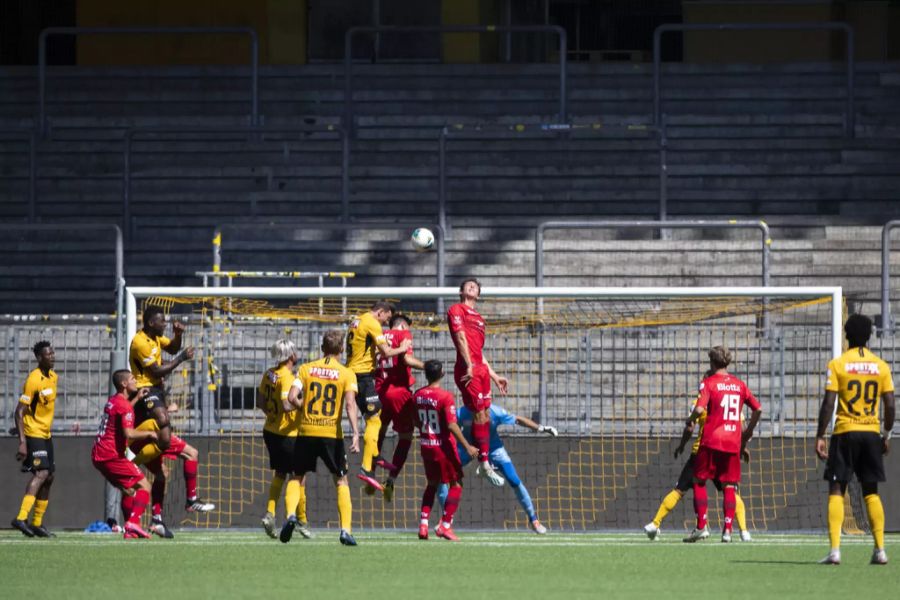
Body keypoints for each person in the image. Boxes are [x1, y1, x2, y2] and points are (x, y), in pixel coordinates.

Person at [815, 314, 894, 565]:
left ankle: (835, 551)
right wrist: (886, 434)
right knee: (871, 491)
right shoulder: (881, 366)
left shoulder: (838, 364)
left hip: (845, 432)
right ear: (870, 336)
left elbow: (829, 403)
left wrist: (820, 435)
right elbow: (890, 404)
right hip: (871, 433)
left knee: (837, 489)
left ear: (847, 335)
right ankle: (880, 550)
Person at [128, 305, 214, 538]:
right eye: (160, 321)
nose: (164, 323)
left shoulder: (155, 337)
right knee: (166, 422)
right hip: (146, 391)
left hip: (155, 393)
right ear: (148, 322)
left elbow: (173, 346)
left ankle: (154, 520)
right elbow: (156, 371)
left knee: (162, 474)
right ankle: (135, 464)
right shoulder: (140, 342)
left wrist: (178, 335)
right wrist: (181, 358)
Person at [643, 380, 753, 542]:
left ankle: (657, 523)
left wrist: (681, 445)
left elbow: (689, 427)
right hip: (724, 451)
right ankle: (743, 531)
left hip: (702, 452)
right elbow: (741, 428)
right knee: (730, 490)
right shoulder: (731, 401)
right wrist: (741, 448)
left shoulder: (698, 403)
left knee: (681, 490)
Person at [280, 330, 361, 546]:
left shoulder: (306, 369)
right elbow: (350, 404)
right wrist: (355, 432)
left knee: (296, 477)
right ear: (342, 349)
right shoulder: (346, 373)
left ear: (322, 348)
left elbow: (290, 397)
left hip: (306, 431)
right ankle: (345, 530)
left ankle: (290, 516)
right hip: (331, 435)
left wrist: (304, 409)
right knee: (341, 480)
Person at [438, 404, 557, 534]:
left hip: (494, 449)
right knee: (442, 476)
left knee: (514, 480)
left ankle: (534, 520)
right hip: (469, 448)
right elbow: (448, 424)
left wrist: (541, 428)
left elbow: (517, 419)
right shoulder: (462, 412)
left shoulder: (496, 411)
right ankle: (446, 520)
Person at [683, 346, 761, 543]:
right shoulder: (740, 385)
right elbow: (758, 409)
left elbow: (700, 408)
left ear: (712, 363)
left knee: (699, 481)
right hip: (733, 441)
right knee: (729, 486)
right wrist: (749, 431)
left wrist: (690, 419)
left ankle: (701, 526)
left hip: (711, 440)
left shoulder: (708, 383)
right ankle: (727, 531)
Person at [447, 278, 507, 487]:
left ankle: (482, 461)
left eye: (476, 286)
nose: (472, 286)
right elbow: (461, 338)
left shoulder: (480, 319)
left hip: (480, 369)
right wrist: (468, 364)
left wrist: (494, 375)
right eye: (468, 285)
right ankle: (483, 462)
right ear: (462, 291)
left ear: (478, 295)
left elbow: (479, 352)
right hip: (467, 369)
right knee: (479, 413)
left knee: (486, 414)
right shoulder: (456, 309)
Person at [412, 360, 478, 542]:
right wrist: (467, 446)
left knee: (432, 484)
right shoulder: (445, 397)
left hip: (426, 446)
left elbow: (416, 421)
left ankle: (423, 525)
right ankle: (445, 525)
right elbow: (451, 425)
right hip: (443, 448)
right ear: (441, 374)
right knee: (456, 484)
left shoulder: (417, 395)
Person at [91, 370, 160, 539]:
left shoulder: (114, 401)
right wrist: (149, 434)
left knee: (129, 490)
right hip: (111, 455)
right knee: (145, 486)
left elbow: (124, 409)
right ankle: (133, 523)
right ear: (124, 384)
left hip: (99, 454)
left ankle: (130, 530)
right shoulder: (124, 405)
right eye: (132, 379)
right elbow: (129, 433)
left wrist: (136, 398)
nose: (135, 380)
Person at [256, 339, 306, 539]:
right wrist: (304, 404)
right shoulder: (287, 377)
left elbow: (260, 401)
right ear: (291, 355)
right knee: (297, 476)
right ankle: (293, 517)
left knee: (280, 473)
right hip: (287, 434)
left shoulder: (269, 373)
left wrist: (271, 413)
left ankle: (270, 512)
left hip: (270, 430)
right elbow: (287, 405)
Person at [375, 312, 425, 501]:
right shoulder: (403, 335)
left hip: (380, 390)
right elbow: (407, 360)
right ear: (403, 326)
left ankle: (370, 473)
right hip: (398, 392)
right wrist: (426, 366)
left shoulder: (379, 335)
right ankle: (390, 480)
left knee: (379, 430)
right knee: (406, 436)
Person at [11, 341, 58, 538]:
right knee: (42, 473)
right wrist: (23, 441)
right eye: (48, 354)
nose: (52, 356)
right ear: (40, 358)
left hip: (46, 433)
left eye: (53, 352)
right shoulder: (33, 379)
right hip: (33, 432)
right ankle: (21, 518)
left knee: (49, 477)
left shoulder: (54, 377)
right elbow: (19, 411)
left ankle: (37, 523)